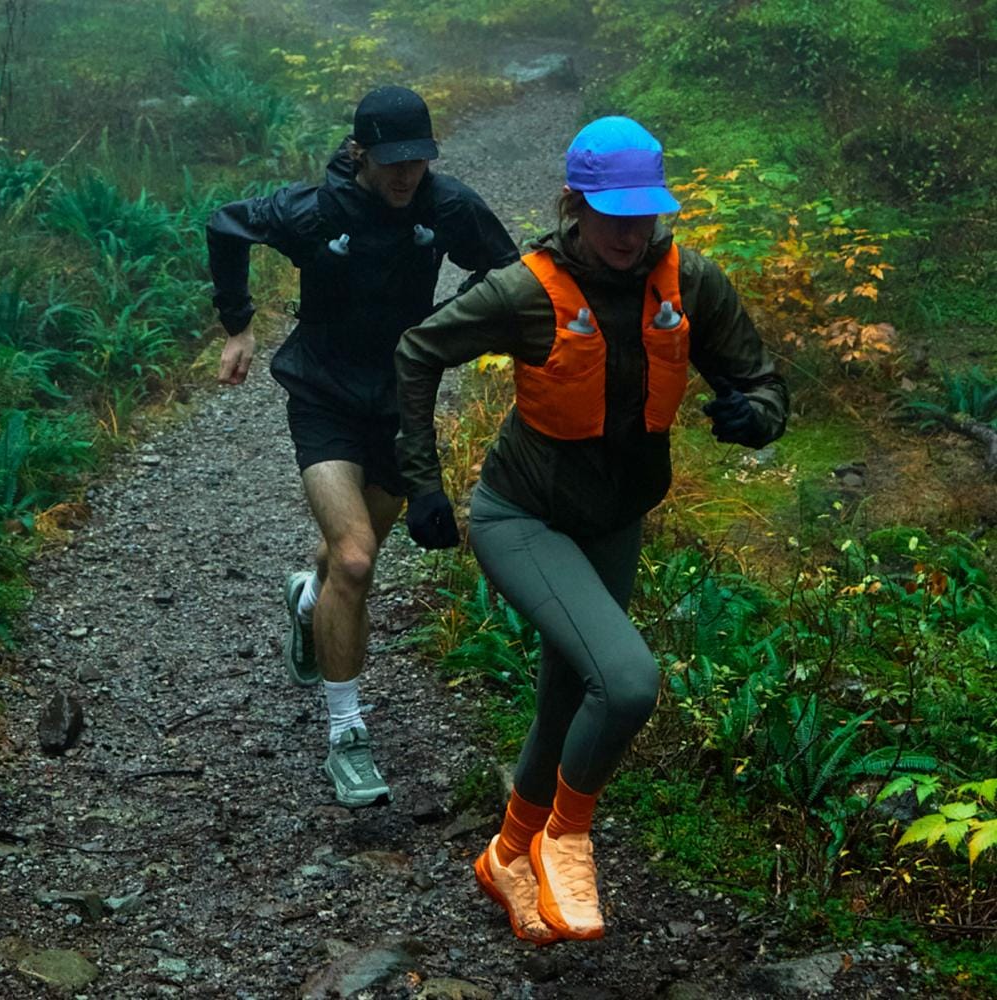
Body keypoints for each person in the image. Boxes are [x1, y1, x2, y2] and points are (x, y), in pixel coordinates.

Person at [394, 116, 788, 942]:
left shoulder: (689, 281)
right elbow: (417, 351)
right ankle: (565, 840)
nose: (629, 231)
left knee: (568, 696)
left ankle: (508, 856)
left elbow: (760, 382)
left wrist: (754, 416)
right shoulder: (525, 289)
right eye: (612, 213)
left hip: (614, 521)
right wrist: (422, 482)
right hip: (522, 517)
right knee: (629, 681)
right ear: (575, 205)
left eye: (643, 213)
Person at [206, 85, 519, 808]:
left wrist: (442, 328)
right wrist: (238, 325)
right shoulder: (316, 210)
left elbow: (507, 271)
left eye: (418, 158)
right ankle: (346, 734)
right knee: (355, 557)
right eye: (392, 159)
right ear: (360, 153)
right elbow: (225, 224)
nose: (406, 173)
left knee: (349, 559)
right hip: (322, 395)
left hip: (400, 404)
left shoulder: (448, 206)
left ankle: (309, 599)